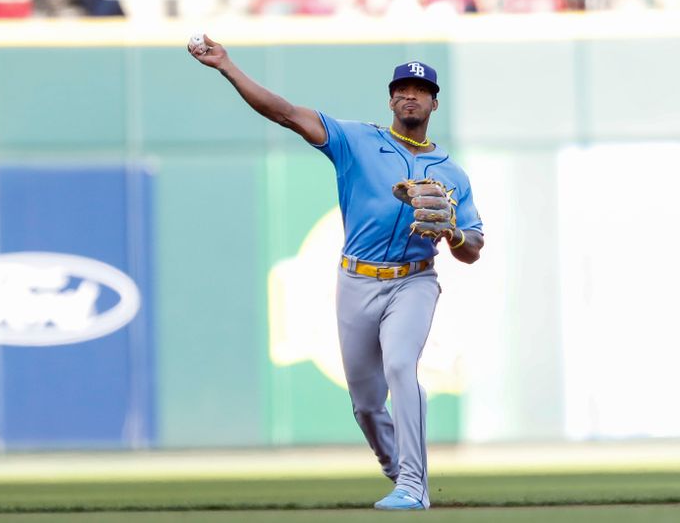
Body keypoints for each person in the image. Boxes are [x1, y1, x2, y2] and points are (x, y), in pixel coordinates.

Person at [188, 35, 484, 511]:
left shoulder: (452, 173)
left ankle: (413, 484)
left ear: (433, 101)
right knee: (366, 405)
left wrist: (451, 233)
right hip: (356, 280)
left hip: (414, 279)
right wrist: (227, 66)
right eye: (401, 88)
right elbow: (283, 112)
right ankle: (398, 472)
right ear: (390, 98)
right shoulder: (355, 140)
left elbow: (472, 247)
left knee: (400, 368)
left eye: (420, 89)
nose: (410, 95)